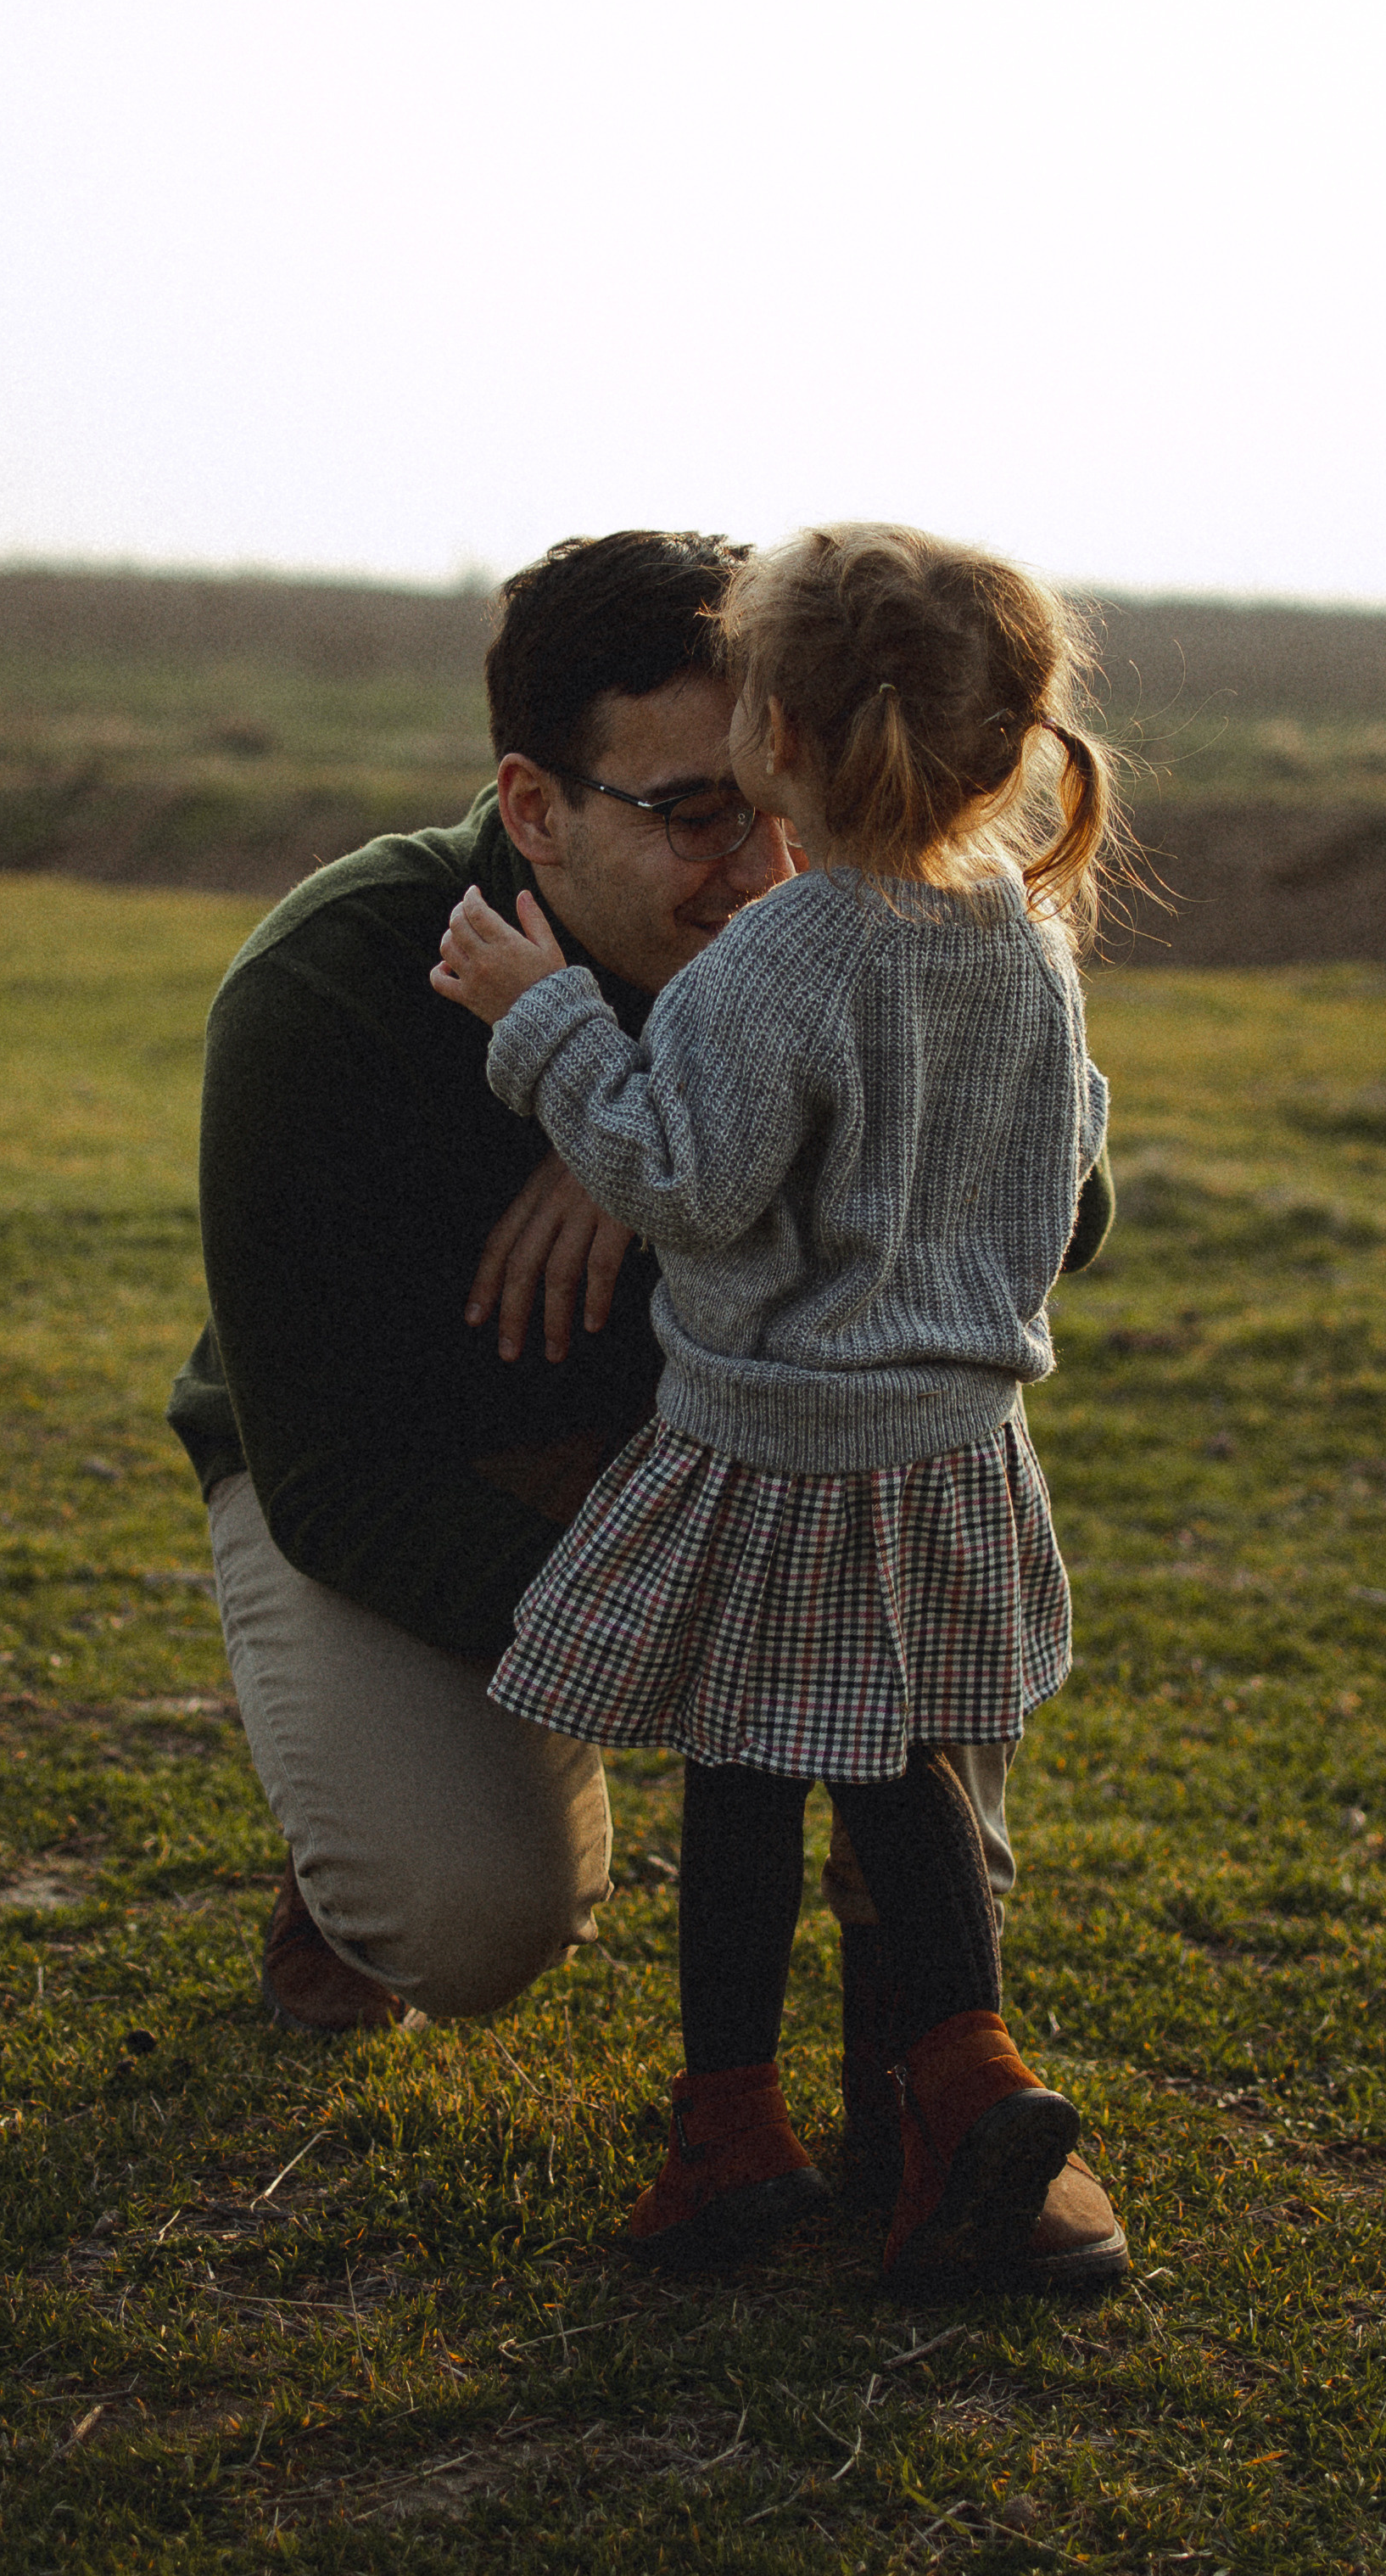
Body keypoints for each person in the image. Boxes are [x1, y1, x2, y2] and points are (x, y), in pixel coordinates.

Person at [167, 528, 1126, 2288]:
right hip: (427, 1471)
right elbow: (327, 1469)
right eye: (695, 815)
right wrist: (692, 1655)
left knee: (901, 1550)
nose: (769, 864)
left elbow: (1048, 1215)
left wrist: (647, 1156)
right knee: (470, 1920)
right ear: (535, 811)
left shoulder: (870, 929)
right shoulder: (326, 996)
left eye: (782, 793)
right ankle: (356, 1857)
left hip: (784, 1459)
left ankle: (923, 2094)